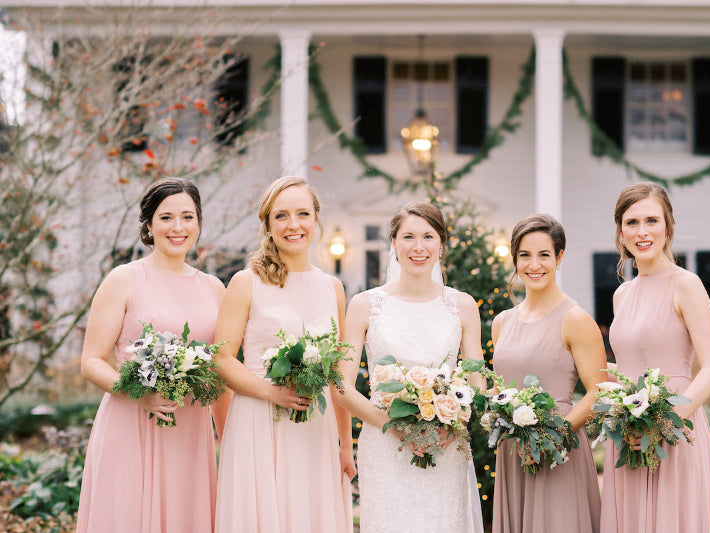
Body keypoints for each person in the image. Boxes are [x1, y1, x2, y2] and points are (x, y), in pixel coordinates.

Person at [77, 177, 227, 533]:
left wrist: (229, 437)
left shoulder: (215, 288)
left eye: (188, 217)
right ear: (148, 225)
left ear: (199, 224)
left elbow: (222, 373)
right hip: (132, 423)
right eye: (166, 217)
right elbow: (91, 361)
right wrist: (140, 394)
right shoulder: (124, 278)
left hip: (190, 429)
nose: (178, 227)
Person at [213, 176, 354, 533]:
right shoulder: (246, 282)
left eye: (303, 214)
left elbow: (337, 373)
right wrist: (271, 392)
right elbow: (223, 357)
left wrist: (345, 444)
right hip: (259, 421)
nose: (294, 225)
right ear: (268, 224)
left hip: (314, 426)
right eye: (282, 216)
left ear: (316, 219)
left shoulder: (332, 288)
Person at [335, 201, 484, 533]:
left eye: (428, 236)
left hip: (446, 444)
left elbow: (478, 382)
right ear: (394, 243)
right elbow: (342, 386)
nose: (419, 247)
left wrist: (451, 424)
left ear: (442, 244)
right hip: (385, 447)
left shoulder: (461, 305)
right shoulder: (365, 306)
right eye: (408, 237)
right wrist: (395, 426)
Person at [600, 182, 710, 533]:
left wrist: (667, 422)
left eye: (652, 221)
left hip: (675, 430)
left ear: (668, 227)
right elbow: (629, 367)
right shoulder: (622, 295)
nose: (642, 232)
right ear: (620, 232)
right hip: (627, 435)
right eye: (632, 222)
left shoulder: (686, 284)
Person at [490, 213, 604, 533]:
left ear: (559, 257)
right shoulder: (502, 323)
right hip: (512, 450)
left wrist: (551, 438)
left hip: (558, 450)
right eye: (525, 255)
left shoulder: (575, 319)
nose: (534, 265)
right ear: (514, 259)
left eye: (544, 255)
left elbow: (599, 391)